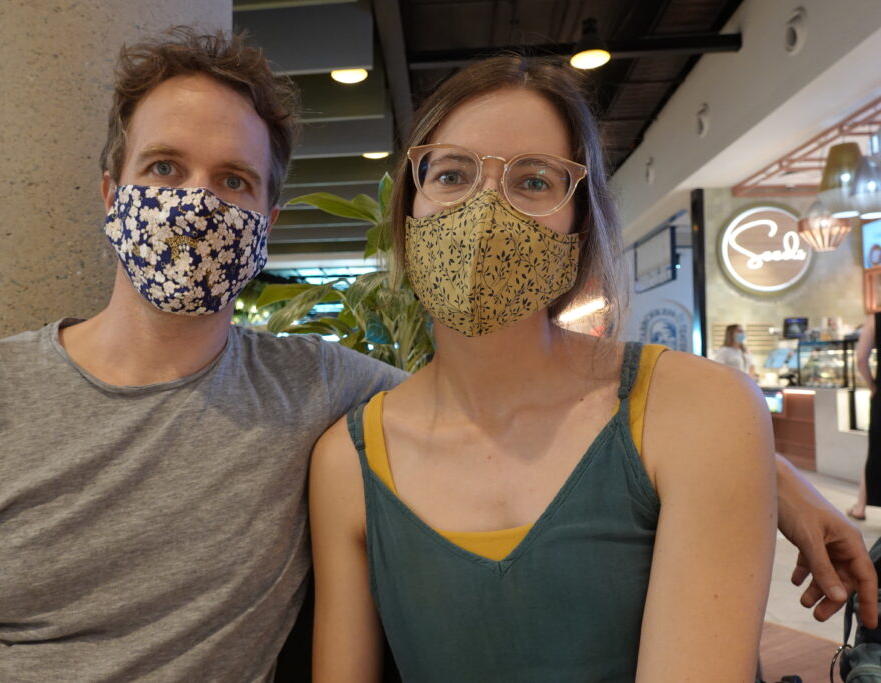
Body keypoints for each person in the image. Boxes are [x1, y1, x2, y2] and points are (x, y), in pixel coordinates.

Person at [0, 28, 874, 683]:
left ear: (267, 217)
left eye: (234, 181)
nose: (196, 203)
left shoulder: (310, 395)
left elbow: (517, 401)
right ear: (108, 188)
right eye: (164, 168)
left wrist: (758, 465)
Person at [307, 56, 862, 681]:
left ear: (581, 223)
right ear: (411, 209)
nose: (485, 213)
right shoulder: (348, 463)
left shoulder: (697, 408)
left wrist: (765, 467)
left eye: (535, 181)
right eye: (453, 173)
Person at [848, 314, 879, 520]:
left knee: (876, 449)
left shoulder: (875, 320)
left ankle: (860, 506)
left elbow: (861, 359)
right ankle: (860, 504)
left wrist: (872, 386)